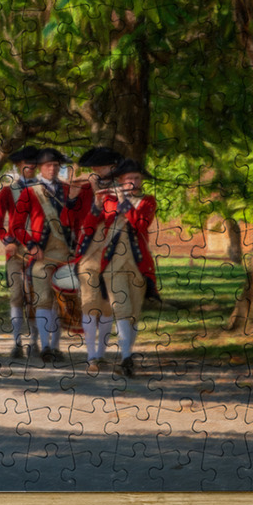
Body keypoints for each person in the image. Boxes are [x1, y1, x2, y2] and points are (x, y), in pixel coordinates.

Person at [71, 156, 158, 377]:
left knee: (134, 312)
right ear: (120, 180)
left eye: (137, 178)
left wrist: (123, 202)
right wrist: (96, 207)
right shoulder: (108, 200)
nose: (133, 182)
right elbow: (89, 228)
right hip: (112, 262)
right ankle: (126, 359)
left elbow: (140, 224)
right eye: (129, 178)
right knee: (121, 307)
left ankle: (127, 353)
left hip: (139, 263)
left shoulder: (148, 201)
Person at [10, 147, 75, 365]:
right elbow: (17, 226)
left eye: (56, 165)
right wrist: (31, 245)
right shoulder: (30, 192)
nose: (53, 169)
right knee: (43, 300)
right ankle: (46, 346)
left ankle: (55, 346)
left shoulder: (68, 191)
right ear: (40, 167)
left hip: (67, 254)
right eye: (49, 165)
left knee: (63, 302)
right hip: (41, 255)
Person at [0, 145, 40, 359]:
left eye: (34, 163)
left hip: (39, 248)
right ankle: (16, 342)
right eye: (26, 163)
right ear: (19, 166)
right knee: (16, 295)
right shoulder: (8, 190)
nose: (30, 166)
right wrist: (6, 240)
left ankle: (35, 342)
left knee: (39, 297)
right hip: (16, 250)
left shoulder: (44, 189)